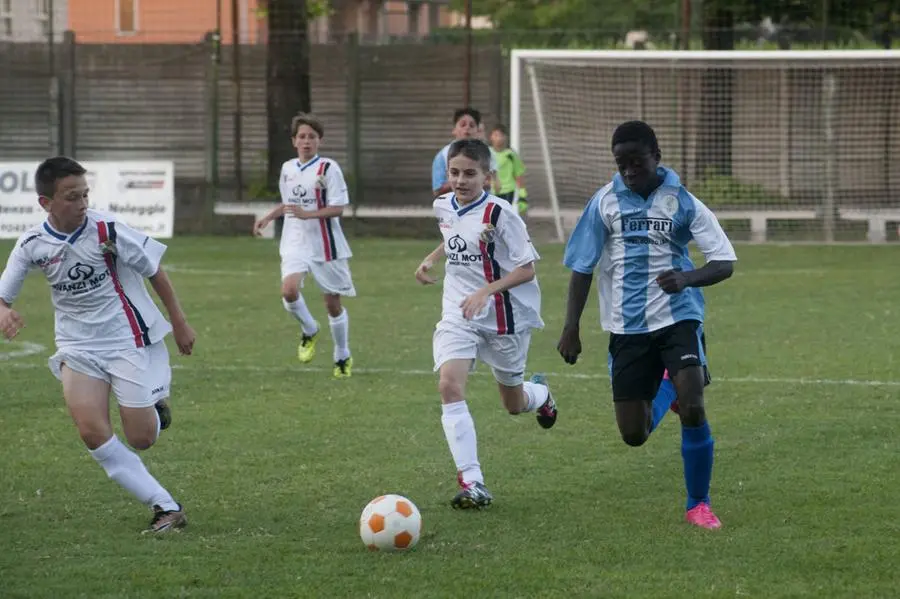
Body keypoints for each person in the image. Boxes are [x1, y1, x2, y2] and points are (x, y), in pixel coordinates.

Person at [0, 156, 195, 533]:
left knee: (142, 439)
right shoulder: (31, 244)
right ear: (46, 203)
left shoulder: (107, 229)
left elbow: (154, 270)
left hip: (126, 339)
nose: (82, 203)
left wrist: (180, 322)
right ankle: (166, 507)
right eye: (72, 197)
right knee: (92, 432)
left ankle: (155, 410)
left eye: (85, 195)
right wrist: (3, 312)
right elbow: (2, 295)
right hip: (77, 347)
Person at [556, 120, 737, 529]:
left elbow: (725, 261)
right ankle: (668, 386)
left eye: (637, 161)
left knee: (694, 406)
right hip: (627, 326)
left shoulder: (683, 201)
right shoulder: (604, 203)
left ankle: (698, 504)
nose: (629, 170)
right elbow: (582, 268)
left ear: (656, 157)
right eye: (621, 163)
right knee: (633, 434)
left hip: (678, 317)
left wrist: (687, 278)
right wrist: (571, 327)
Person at [416, 138, 558, 509]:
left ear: (487, 177)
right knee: (448, 385)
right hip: (459, 312)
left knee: (513, 403)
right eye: (454, 173)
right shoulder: (443, 204)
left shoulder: (501, 215)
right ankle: (473, 482)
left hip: (504, 318)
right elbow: (453, 236)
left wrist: (486, 291)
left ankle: (541, 395)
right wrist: (430, 259)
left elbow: (526, 270)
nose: (461, 181)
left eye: (469, 174)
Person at [254, 113, 355, 378]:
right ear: (294, 141)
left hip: (326, 244)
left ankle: (342, 355)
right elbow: (289, 204)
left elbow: (338, 208)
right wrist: (268, 217)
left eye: (312, 136)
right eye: (302, 136)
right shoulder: (288, 168)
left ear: (319, 141)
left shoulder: (328, 169)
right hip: (295, 240)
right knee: (288, 290)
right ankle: (309, 329)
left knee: (332, 304)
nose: (306, 141)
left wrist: (309, 214)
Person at [432, 108, 498, 198]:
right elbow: (437, 190)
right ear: (454, 130)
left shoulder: (488, 153)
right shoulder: (442, 155)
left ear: (477, 130)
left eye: (472, 125)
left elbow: (495, 183)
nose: (467, 128)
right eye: (463, 125)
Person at [488, 124, 529, 221]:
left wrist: (522, 194)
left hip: (507, 191)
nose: (498, 138)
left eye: (501, 135)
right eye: (496, 135)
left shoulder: (511, 154)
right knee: (489, 218)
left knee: (503, 218)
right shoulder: (487, 153)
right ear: (491, 137)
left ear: (505, 137)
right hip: (490, 191)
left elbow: (518, 174)